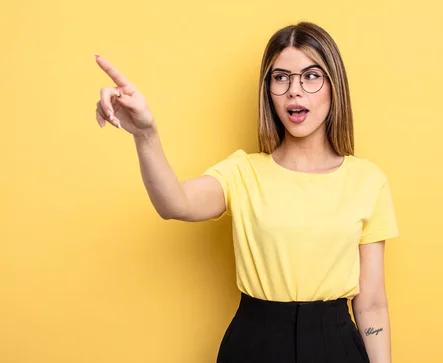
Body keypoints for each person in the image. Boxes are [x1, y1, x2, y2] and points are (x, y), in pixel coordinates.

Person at [94, 22, 399, 363]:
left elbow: (371, 303)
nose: (294, 91)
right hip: (255, 345)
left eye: (311, 76)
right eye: (280, 77)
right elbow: (174, 203)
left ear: (334, 86)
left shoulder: (368, 180)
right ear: (267, 89)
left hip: (336, 346)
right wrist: (145, 134)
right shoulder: (242, 172)